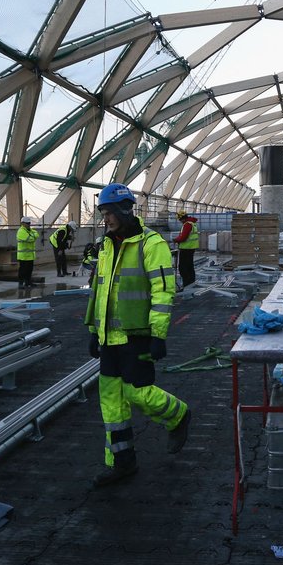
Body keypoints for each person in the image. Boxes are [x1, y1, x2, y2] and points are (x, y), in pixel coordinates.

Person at [86, 182, 190, 488]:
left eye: (110, 213)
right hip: (109, 339)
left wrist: (158, 335)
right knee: (111, 402)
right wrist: (94, 330)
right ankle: (121, 461)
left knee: (138, 393)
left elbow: (162, 290)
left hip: (137, 336)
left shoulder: (150, 243)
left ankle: (178, 415)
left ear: (125, 210)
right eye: (103, 213)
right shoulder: (106, 245)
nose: (106, 219)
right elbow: (99, 290)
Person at [172, 209, 199, 289]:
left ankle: (186, 284)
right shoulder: (192, 223)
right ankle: (191, 283)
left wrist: (175, 240)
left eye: (180, 220)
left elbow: (183, 237)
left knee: (183, 268)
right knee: (190, 266)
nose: (180, 221)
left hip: (186, 249)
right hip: (191, 248)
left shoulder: (187, 224)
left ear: (182, 218)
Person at [16, 216, 38, 288]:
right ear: (22, 223)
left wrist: (33, 236)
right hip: (23, 256)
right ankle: (21, 284)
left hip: (30, 255)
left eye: (29, 223)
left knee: (29, 270)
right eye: (27, 223)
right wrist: (33, 236)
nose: (28, 225)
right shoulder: (21, 231)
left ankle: (28, 282)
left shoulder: (29, 230)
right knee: (22, 271)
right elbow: (30, 239)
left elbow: (36, 234)